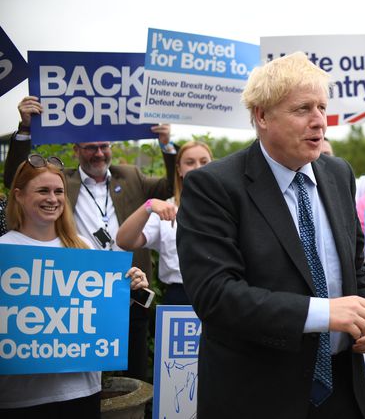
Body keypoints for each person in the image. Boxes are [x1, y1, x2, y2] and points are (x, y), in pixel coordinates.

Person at [176, 52, 365, 419]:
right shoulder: (213, 185)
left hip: (342, 391)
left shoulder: (339, 174)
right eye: (303, 109)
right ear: (261, 116)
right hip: (257, 395)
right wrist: (325, 313)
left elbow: (353, 266)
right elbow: (216, 296)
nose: (319, 121)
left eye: (322, 107)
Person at [3, 95, 177, 381]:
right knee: (86, 373)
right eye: (90, 147)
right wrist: (24, 129)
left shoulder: (130, 175)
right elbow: (16, 181)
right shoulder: (61, 183)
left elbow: (171, 185)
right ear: (76, 150)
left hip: (130, 290)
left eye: (104, 146)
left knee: (134, 376)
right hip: (80, 295)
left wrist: (166, 144)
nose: (98, 153)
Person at [0, 155, 148, 417]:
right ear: (19, 196)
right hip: (19, 397)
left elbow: (97, 312)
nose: (53, 198)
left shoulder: (81, 246)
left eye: (59, 191)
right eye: (43, 190)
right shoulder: (5, 250)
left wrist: (128, 290)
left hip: (82, 392)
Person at [116, 141, 213, 305]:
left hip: (220, 294)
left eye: (204, 162)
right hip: (179, 296)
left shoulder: (229, 205)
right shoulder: (165, 208)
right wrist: (148, 205)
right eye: (190, 162)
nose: (198, 167)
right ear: (179, 170)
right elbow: (125, 241)